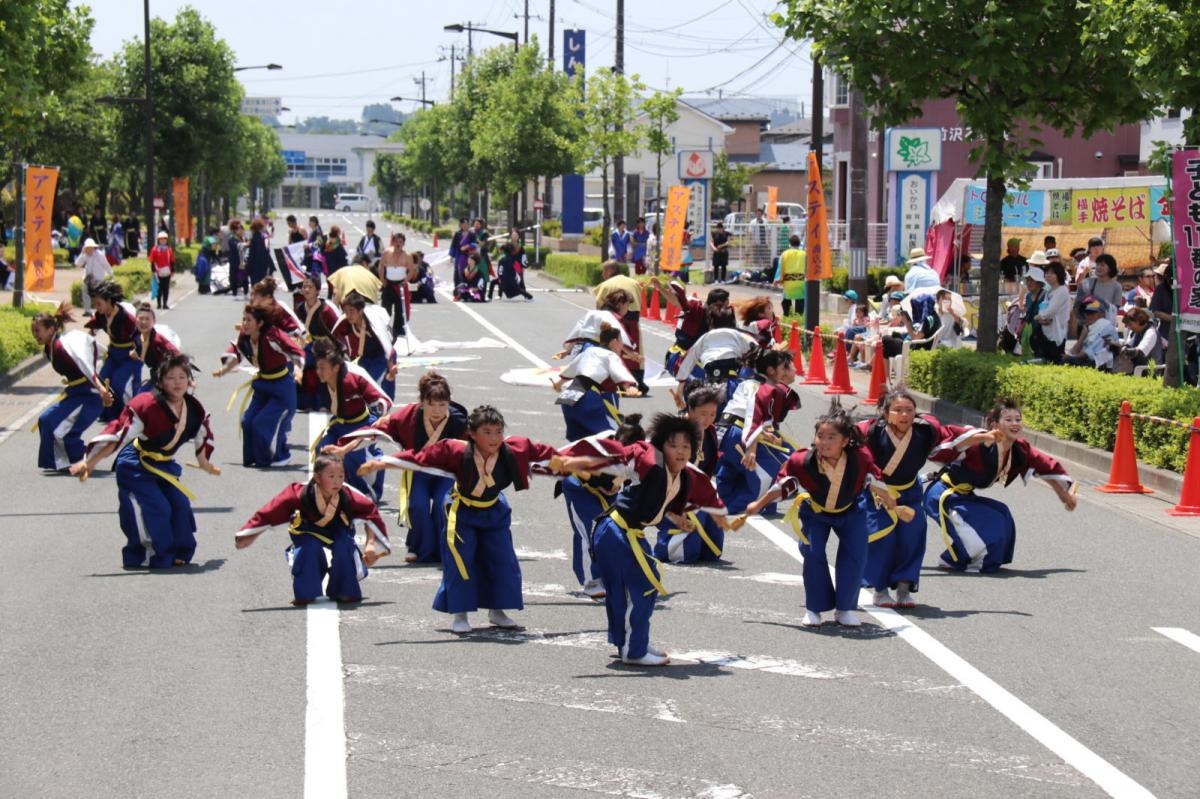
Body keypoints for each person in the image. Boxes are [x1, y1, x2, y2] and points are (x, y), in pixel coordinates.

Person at [359, 405, 571, 634]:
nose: (494, 438)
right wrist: (384, 462)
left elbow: (550, 453)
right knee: (461, 561)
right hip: (462, 512)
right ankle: (460, 614)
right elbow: (419, 458)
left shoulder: (515, 448)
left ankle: (497, 610)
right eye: (487, 432)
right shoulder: (456, 450)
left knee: (502, 560)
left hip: (494, 511)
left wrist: (587, 463)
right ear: (472, 433)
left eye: (498, 432)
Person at [590, 412, 732, 664]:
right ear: (661, 447)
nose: (680, 451)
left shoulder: (682, 475)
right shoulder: (651, 463)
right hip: (617, 530)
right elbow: (631, 455)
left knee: (632, 588)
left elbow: (665, 504)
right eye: (672, 445)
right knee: (645, 584)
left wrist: (680, 520)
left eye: (686, 446)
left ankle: (633, 643)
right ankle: (634, 651)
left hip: (627, 531)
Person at [744, 400, 895, 627]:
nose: (823, 442)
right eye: (820, 436)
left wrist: (891, 502)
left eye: (831, 437)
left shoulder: (860, 458)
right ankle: (814, 609)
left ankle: (844, 608)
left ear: (845, 441)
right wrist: (758, 504)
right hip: (816, 512)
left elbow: (875, 480)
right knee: (813, 554)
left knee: (855, 556)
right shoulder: (802, 460)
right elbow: (782, 484)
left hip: (851, 511)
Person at [73, 353, 218, 568]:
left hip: (164, 466)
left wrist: (205, 463)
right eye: (170, 377)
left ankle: (179, 552)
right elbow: (117, 436)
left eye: (182, 377)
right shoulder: (147, 406)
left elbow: (202, 437)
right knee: (158, 508)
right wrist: (90, 462)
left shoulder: (194, 409)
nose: (177, 382)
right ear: (160, 382)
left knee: (180, 504)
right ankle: (148, 554)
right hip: (135, 465)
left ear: (189, 380)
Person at [925, 398, 1076, 573]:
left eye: (1018, 419)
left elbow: (1043, 466)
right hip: (942, 496)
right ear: (995, 425)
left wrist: (1063, 494)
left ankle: (971, 556)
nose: (1015, 424)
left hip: (964, 496)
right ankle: (954, 559)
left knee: (1001, 514)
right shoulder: (981, 440)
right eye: (1008, 419)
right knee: (984, 533)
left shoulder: (1019, 448)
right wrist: (981, 437)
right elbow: (955, 440)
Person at [331, 371, 468, 563]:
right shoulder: (409, 416)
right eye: (431, 404)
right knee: (418, 505)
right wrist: (345, 448)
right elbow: (375, 431)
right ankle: (420, 548)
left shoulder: (459, 420)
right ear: (421, 402)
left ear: (449, 403)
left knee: (442, 504)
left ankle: (442, 548)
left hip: (446, 472)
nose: (437, 410)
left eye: (442, 404)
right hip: (417, 470)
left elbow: (479, 444)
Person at [858, 388, 969, 608]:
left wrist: (981, 437)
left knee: (913, 534)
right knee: (883, 538)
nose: (904, 415)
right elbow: (851, 449)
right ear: (885, 413)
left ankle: (903, 586)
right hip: (879, 493)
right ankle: (880, 590)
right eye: (897, 410)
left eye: (909, 410)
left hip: (909, 492)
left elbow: (951, 436)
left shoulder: (924, 431)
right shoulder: (871, 431)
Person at [235, 453, 389, 605]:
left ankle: (343, 589)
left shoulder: (348, 495)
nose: (337, 481)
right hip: (307, 529)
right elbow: (268, 513)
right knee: (308, 549)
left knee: (344, 546)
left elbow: (371, 515)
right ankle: (306, 591)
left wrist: (370, 544)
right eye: (331, 476)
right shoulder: (297, 493)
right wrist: (251, 534)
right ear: (317, 477)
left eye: (341, 476)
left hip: (338, 529)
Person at [556, 415, 647, 597]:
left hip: (608, 489)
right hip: (578, 486)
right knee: (589, 530)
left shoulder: (642, 449)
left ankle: (616, 577)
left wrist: (618, 485)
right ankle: (592, 581)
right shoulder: (596, 444)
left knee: (614, 531)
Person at [213, 305, 305, 468]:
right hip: (263, 384)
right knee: (247, 421)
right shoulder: (245, 337)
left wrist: (298, 370)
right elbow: (238, 354)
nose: (244, 323)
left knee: (262, 422)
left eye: (248, 320)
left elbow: (296, 352)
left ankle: (279, 456)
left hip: (281, 388)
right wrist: (224, 370)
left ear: (260, 323)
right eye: (244, 319)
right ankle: (255, 458)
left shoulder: (273, 336)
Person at [714, 347, 798, 515]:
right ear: (772, 371)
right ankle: (736, 508)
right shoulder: (765, 388)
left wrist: (766, 435)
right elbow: (754, 414)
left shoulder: (749, 383)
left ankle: (722, 502)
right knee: (777, 470)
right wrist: (751, 447)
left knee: (733, 468)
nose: (792, 370)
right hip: (739, 434)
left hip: (726, 432)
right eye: (786, 367)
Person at [307, 339, 392, 501]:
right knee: (323, 452)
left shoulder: (354, 376)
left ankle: (365, 494)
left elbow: (384, 400)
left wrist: (380, 410)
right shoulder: (322, 381)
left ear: (336, 367)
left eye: (322, 368)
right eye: (318, 367)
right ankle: (329, 493)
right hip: (339, 424)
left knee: (350, 456)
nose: (318, 372)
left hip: (362, 423)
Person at [31, 304, 111, 471]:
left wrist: (102, 389)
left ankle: (82, 459)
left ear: (51, 329)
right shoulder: (50, 347)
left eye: (38, 330)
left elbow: (85, 366)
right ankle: (61, 462)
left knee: (64, 432)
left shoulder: (64, 346)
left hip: (89, 396)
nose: (35, 335)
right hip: (75, 394)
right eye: (33, 331)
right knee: (46, 420)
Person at [654, 383, 727, 564]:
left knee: (713, 549)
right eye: (703, 413)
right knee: (686, 553)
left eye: (712, 414)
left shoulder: (710, 432)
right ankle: (667, 547)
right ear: (690, 409)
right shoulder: (676, 433)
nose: (708, 419)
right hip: (673, 492)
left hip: (698, 491)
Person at [552, 325, 640, 440]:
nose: (622, 346)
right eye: (621, 341)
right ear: (614, 342)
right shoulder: (610, 355)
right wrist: (629, 387)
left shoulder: (589, 351)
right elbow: (619, 372)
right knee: (613, 436)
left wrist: (558, 384)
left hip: (568, 397)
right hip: (587, 397)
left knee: (580, 442)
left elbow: (571, 369)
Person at [86, 280, 140, 422]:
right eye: (94, 304)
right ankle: (107, 414)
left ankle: (122, 416)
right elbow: (94, 326)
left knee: (117, 383)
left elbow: (139, 335)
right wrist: (89, 335)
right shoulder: (100, 314)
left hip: (129, 355)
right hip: (113, 353)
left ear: (109, 301)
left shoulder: (126, 318)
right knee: (102, 380)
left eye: (99, 304)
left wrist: (138, 352)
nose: (96, 308)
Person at [658, 278, 731, 378]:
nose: (728, 304)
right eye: (727, 301)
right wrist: (660, 288)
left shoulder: (722, 316)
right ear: (719, 302)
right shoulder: (697, 308)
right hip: (682, 357)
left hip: (700, 359)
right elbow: (677, 302)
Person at [332, 292, 395, 397]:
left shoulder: (373, 323)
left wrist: (391, 366)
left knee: (381, 382)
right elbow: (333, 338)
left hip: (383, 355)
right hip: (364, 357)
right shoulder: (345, 322)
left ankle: (384, 406)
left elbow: (386, 344)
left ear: (361, 310)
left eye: (352, 311)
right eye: (346, 312)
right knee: (358, 382)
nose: (348, 315)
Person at [294, 275, 342, 411]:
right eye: (304, 286)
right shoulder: (300, 308)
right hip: (307, 346)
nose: (306, 289)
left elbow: (338, 330)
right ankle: (301, 402)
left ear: (318, 290)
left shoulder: (327, 310)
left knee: (323, 368)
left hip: (325, 347)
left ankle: (324, 404)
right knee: (295, 365)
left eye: (310, 286)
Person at [130, 303, 181, 394]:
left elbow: (177, 354)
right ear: (136, 320)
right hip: (155, 375)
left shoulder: (158, 340)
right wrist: (134, 352)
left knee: (143, 396)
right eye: (141, 318)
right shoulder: (136, 337)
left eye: (147, 319)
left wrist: (186, 378)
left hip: (167, 377)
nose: (143, 322)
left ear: (154, 321)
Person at [1031, 262, 1070, 363]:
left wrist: (1039, 317)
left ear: (1059, 275)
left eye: (1052, 273)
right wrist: (1041, 318)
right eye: (1047, 273)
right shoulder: (1049, 291)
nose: (1048, 275)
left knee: (1055, 360)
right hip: (1046, 332)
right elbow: (1042, 308)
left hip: (1056, 333)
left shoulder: (1062, 290)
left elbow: (1050, 310)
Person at [1064, 298, 1118, 370]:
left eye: (1091, 313)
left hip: (1102, 365)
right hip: (1092, 362)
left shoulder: (1103, 324)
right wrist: (1083, 336)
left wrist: (1068, 357)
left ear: (1101, 314)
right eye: (1085, 313)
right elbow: (1074, 351)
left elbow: (1086, 354)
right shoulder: (1089, 327)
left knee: (1065, 361)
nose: (1087, 316)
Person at [1073, 253, 1123, 330]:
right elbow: (1077, 306)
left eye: (1102, 265)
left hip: (1105, 327)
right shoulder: (1086, 283)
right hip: (1086, 326)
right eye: (1097, 265)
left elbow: (1114, 309)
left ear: (1110, 268)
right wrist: (1084, 320)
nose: (1099, 267)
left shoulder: (1117, 287)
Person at [377, 232, 412, 337]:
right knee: (385, 308)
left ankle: (398, 330)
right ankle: (384, 328)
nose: (398, 244)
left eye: (400, 242)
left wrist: (405, 281)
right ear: (393, 242)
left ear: (403, 243)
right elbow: (381, 266)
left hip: (400, 285)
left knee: (400, 309)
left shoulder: (407, 256)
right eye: (396, 241)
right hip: (388, 284)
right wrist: (382, 279)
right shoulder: (387, 252)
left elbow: (411, 270)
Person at [75, 238, 113, 315]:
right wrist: (82, 254)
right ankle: (87, 311)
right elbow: (77, 264)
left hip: (98, 279)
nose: (89, 250)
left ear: (93, 248)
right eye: (87, 248)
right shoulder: (84, 255)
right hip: (88, 278)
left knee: (99, 296)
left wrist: (111, 275)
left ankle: (101, 310)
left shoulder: (100, 255)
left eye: (90, 248)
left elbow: (106, 265)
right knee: (85, 292)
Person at [1119, 307, 1162, 372]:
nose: (1129, 328)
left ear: (1138, 321)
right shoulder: (1138, 332)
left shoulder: (1151, 332)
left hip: (1150, 372)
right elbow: (1128, 345)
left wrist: (1126, 351)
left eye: (1130, 325)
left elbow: (1139, 352)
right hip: (1138, 369)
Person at [776, 234, 806, 318]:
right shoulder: (804, 254)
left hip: (788, 282)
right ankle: (798, 318)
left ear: (790, 244)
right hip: (801, 282)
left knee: (786, 300)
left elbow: (780, 267)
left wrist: (777, 279)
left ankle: (787, 316)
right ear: (799, 243)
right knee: (800, 299)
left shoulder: (785, 254)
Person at [148, 231, 176, 311]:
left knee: (166, 288)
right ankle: (159, 304)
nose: (163, 241)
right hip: (158, 272)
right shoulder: (155, 249)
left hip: (167, 272)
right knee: (159, 289)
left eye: (164, 239)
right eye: (161, 239)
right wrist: (153, 271)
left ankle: (165, 304)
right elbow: (152, 261)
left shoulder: (169, 249)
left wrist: (173, 270)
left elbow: (172, 261)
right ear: (158, 240)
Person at [246, 218, 272, 286]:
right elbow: (267, 250)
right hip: (263, 264)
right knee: (262, 284)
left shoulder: (253, 238)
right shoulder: (264, 237)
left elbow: (250, 253)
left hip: (254, 265)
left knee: (254, 285)